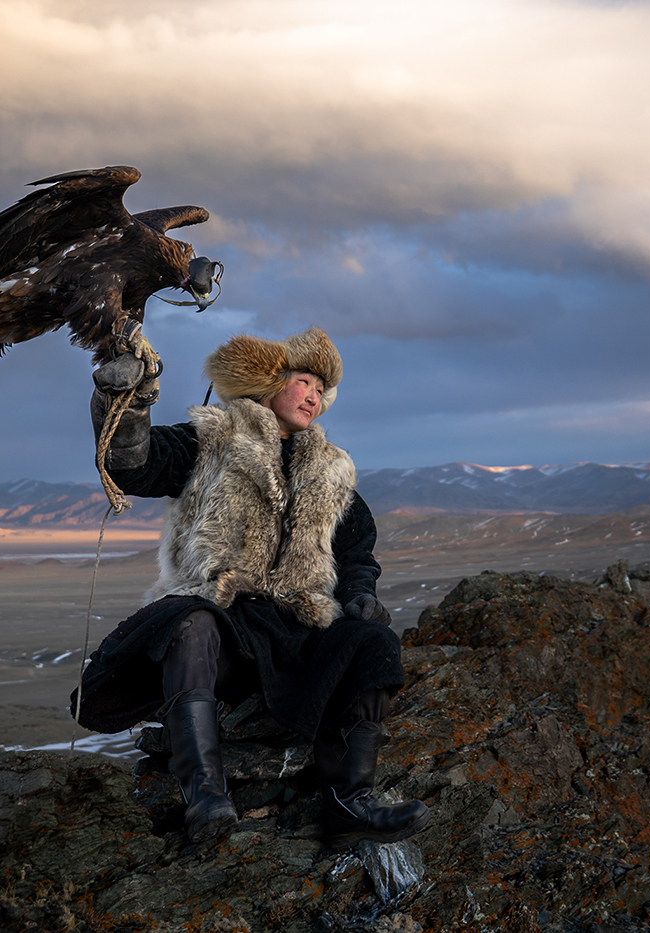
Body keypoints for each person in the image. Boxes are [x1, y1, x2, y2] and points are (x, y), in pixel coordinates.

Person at [72, 327, 430, 848]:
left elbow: (357, 553)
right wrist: (122, 402)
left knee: (372, 641)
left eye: (320, 389)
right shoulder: (212, 437)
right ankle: (206, 799)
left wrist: (359, 593)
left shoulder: (332, 472)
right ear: (268, 384)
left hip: (295, 632)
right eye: (304, 381)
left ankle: (349, 804)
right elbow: (135, 465)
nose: (314, 396)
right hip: (224, 626)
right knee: (190, 624)